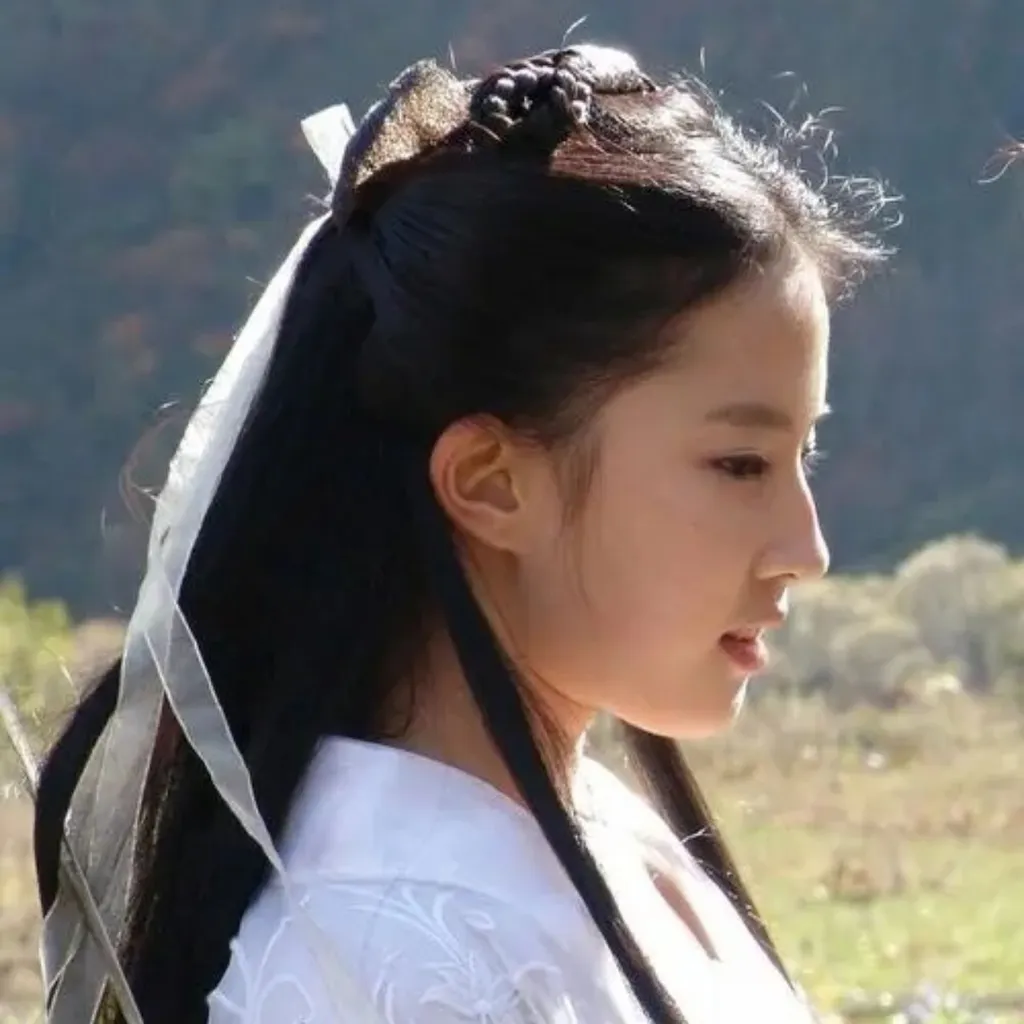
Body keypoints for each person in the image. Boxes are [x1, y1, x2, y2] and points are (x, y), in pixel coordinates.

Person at [32, 43, 889, 1024]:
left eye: (802, 456)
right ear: (490, 481)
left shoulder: (585, 840)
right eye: (740, 464)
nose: (806, 549)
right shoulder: (388, 960)